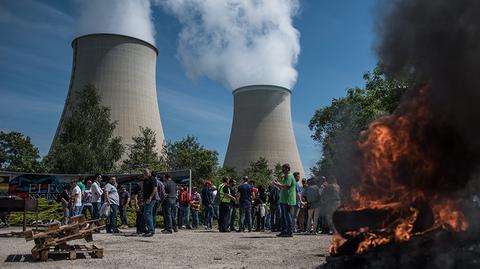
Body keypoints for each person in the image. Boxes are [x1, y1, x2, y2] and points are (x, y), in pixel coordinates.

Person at [272, 163, 296, 237]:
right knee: (283, 216)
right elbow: (283, 187)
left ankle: (289, 231)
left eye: (284, 169)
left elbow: (286, 187)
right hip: (284, 199)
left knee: (287, 215)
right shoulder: (286, 176)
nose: (282, 170)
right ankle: (284, 230)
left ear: (288, 169)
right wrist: (278, 183)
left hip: (287, 199)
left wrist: (276, 184)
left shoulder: (289, 176)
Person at [142, 168, 158, 237]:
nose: (145, 173)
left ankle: (151, 230)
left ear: (150, 172)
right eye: (144, 172)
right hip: (146, 199)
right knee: (148, 214)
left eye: (146, 172)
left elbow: (155, 189)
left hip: (151, 199)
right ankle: (150, 230)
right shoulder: (145, 180)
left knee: (147, 214)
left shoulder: (153, 179)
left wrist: (150, 198)